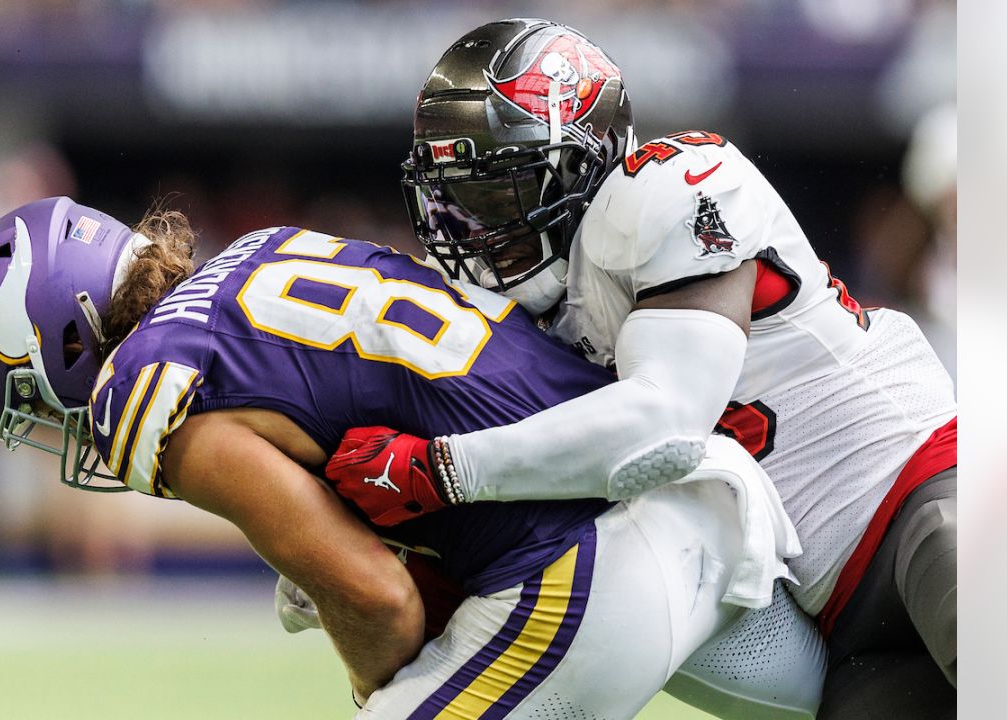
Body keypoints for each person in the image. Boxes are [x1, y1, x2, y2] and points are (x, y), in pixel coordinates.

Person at [0, 197, 822, 718]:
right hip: (696, 497)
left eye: (28, 396)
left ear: (59, 338)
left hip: (586, 569)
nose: (51, 422)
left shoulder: (161, 396)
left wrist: (375, 679)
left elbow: (376, 597)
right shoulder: (265, 251)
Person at [322, 18, 957, 719]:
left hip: (922, 495)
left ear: (582, 161)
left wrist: (444, 469)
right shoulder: (525, 313)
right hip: (838, 617)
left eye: (499, 193)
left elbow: (666, 417)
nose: (472, 227)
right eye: (454, 198)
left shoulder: (667, 187)